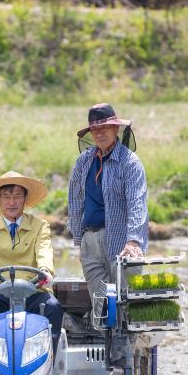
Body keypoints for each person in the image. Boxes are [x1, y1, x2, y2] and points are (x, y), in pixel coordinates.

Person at [0, 171, 63, 353]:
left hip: (35, 292)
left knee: (53, 307)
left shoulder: (40, 225)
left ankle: (48, 362)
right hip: (1, 293)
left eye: (17, 196)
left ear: (25, 199)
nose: (11, 202)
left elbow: (44, 251)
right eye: (6, 197)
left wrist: (45, 271)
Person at [67, 103, 149, 300]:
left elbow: (137, 203)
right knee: (101, 306)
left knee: (127, 301)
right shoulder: (83, 162)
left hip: (122, 239)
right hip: (90, 241)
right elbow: (75, 203)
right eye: (94, 129)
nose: (99, 133)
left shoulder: (129, 162)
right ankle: (103, 331)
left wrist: (133, 241)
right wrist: (80, 243)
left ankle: (129, 332)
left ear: (115, 128)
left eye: (104, 128)